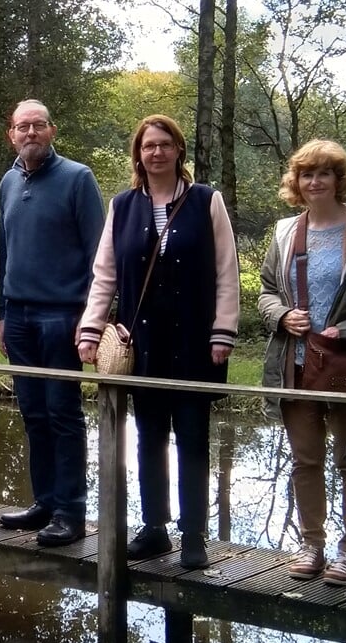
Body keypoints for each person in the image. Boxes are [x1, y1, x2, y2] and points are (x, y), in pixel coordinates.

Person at [77, 115, 238, 569]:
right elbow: (105, 274)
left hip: (193, 341)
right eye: (149, 145)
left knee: (192, 437)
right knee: (148, 436)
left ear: (178, 150)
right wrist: (91, 330)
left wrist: (222, 331)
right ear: (139, 154)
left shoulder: (207, 201)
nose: (157, 152)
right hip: (141, 342)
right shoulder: (123, 206)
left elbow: (227, 272)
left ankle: (194, 535)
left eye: (165, 144)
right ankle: (154, 529)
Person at [257, 139, 346, 586]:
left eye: (324, 173)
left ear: (339, 180)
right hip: (296, 363)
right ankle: (312, 544)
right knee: (305, 461)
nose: (315, 181)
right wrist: (282, 315)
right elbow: (265, 290)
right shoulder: (285, 233)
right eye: (307, 174)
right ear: (295, 182)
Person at [0, 99, 104, 548]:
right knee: (33, 413)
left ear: (52, 131)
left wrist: (91, 318)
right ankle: (44, 501)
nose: (31, 133)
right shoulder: (7, 181)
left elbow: (101, 254)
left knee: (63, 414)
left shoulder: (78, 179)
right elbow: (4, 253)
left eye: (39, 125)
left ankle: (70, 512)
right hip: (17, 315)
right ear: (12, 134)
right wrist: (1, 315)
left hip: (62, 315)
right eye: (23, 126)